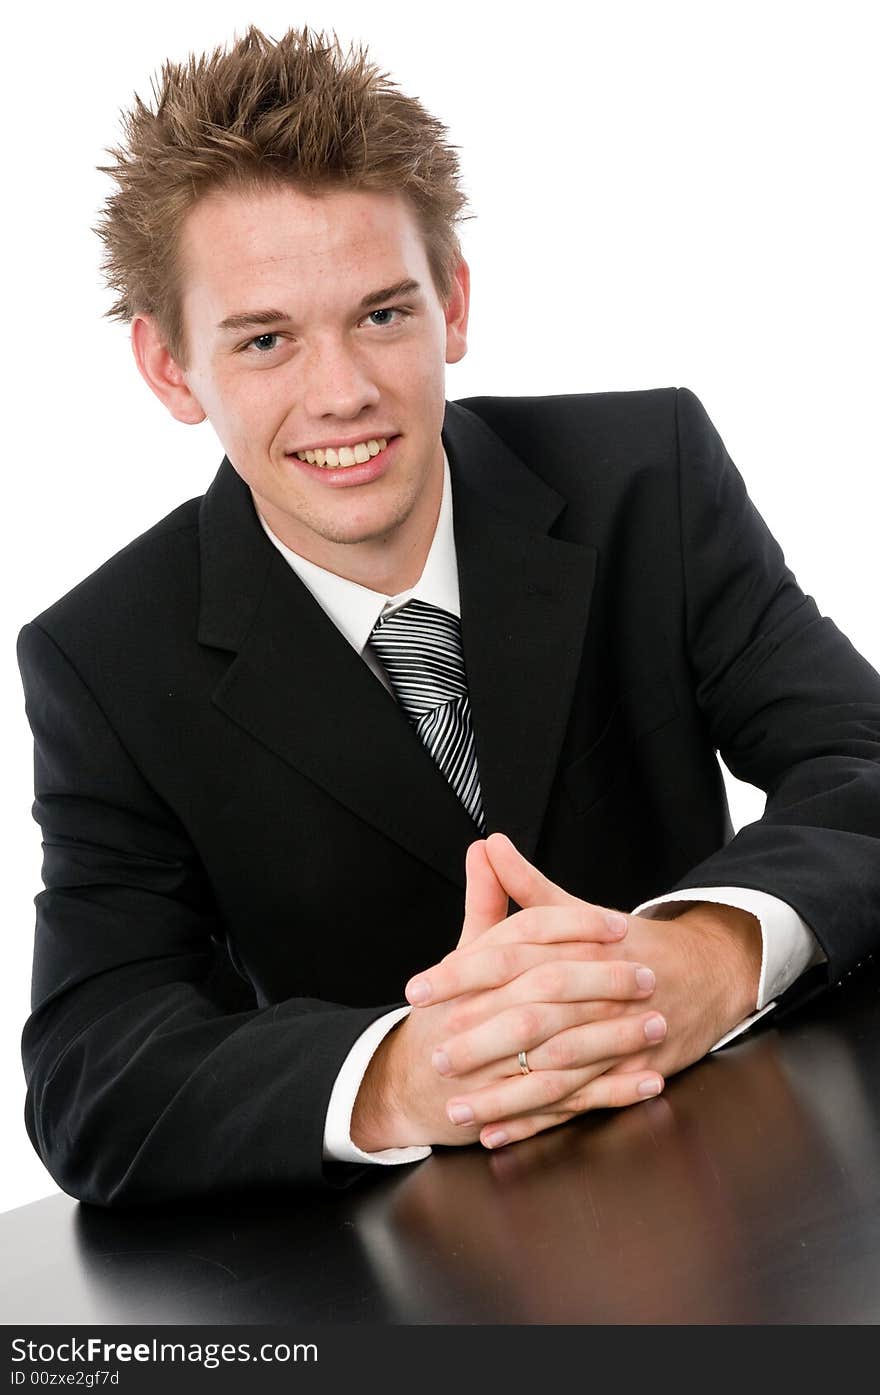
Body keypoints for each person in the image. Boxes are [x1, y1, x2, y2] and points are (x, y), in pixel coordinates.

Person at [16, 25, 880, 1207]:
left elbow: (859, 757)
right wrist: (409, 1076)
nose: (342, 394)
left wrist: (706, 956)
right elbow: (92, 1066)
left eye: (382, 315)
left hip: (750, 1176)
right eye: (265, 340)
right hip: (415, 1260)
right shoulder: (104, 655)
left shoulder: (647, 475)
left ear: (453, 303)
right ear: (169, 370)